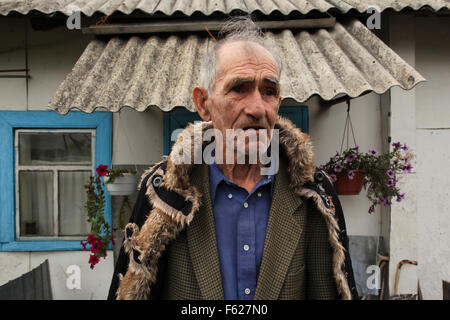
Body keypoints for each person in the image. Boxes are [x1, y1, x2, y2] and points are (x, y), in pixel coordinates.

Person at [107, 17, 358, 300]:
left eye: (269, 91)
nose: (257, 108)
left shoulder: (314, 194)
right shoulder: (164, 193)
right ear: (204, 104)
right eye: (239, 88)